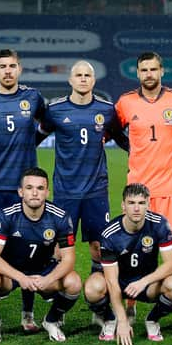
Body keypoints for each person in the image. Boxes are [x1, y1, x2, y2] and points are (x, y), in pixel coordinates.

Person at [38, 60, 129, 326]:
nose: (83, 79)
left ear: (94, 80)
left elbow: (122, 140)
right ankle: (59, 307)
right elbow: (34, 139)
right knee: (56, 248)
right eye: (78, 75)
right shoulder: (54, 110)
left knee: (98, 247)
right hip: (65, 192)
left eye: (87, 74)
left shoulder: (106, 110)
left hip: (96, 191)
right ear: (70, 80)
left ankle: (98, 307)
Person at [115, 51, 172, 328]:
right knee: (130, 246)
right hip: (138, 190)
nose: (148, 74)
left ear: (161, 71)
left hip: (171, 187)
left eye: (153, 69)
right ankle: (130, 305)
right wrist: (133, 150)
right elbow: (115, 131)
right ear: (137, 73)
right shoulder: (125, 103)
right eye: (143, 70)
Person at [0, 49, 46, 332]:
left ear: (20, 69)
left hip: (24, 187)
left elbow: (46, 124)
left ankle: (28, 312)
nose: (8, 71)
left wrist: (30, 142)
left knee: (28, 248)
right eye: (2, 66)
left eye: (12, 66)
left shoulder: (33, 97)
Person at [0, 167, 81, 343]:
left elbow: (69, 259)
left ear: (47, 192)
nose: (34, 193)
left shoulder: (60, 217)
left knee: (74, 282)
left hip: (44, 271)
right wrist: (20, 277)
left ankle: (52, 320)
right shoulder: (6, 216)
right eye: (29, 188)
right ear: (20, 191)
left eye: (40, 188)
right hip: (12, 272)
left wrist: (48, 279)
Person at [92, 183, 172, 345]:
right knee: (93, 287)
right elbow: (112, 282)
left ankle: (152, 320)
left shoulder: (160, 224)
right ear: (123, 206)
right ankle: (111, 319)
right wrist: (122, 320)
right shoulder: (109, 234)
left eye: (141, 203)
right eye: (131, 203)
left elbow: (171, 264)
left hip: (146, 285)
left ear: (148, 205)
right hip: (119, 283)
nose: (136, 208)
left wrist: (144, 281)